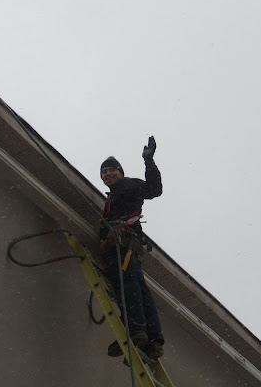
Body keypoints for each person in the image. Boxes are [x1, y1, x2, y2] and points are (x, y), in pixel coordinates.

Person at [98, 136, 165, 359]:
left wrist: (149, 161)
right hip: (124, 244)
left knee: (127, 286)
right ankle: (153, 341)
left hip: (123, 245)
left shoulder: (129, 185)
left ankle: (136, 330)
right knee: (138, 288)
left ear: (121, 171)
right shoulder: (111, 199)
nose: (108, 174)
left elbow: (154, 189)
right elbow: (104, 225)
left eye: (111, 170)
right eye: (104, 172)